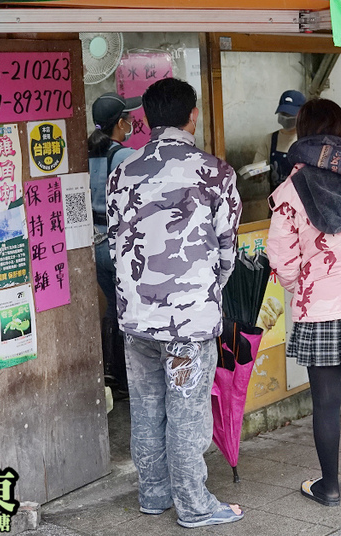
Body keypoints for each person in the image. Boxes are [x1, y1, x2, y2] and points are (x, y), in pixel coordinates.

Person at [106, 78, 244, 528]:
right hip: (187, 320)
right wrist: (206, 294)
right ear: (194, 115)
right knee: (187, 412)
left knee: (147, 407)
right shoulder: (215, 173)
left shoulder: (121, 172)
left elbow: (114, 243)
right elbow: (227, 252)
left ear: (145, 118)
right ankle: (194, 505)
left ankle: (153, 494)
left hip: (135, 317)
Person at [266, 98, 341, 507]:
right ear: (340, 133)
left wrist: (301, 285)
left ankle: (328, 486)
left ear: (302, 132)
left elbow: (282, 260)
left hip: (316, 309)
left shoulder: (288, 190)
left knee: (324, 402)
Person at [88, 92, 140, 395]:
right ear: (120, 123)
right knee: (129, 308)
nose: (132, 122)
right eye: (129, 118)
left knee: (111, 307)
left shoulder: (87, 152)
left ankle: (110, 373)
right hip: (118, 243)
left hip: (94, 243)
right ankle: (126, 378)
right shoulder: (122, 156)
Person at [253, 89, 306, 192]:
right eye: (283, 113)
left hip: (300, 204)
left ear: (302, 115)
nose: (286, 118)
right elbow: (257, 166)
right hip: (276, 204)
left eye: (290, 114)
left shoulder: (307, 141)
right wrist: (257, 175)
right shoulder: (270, 139)